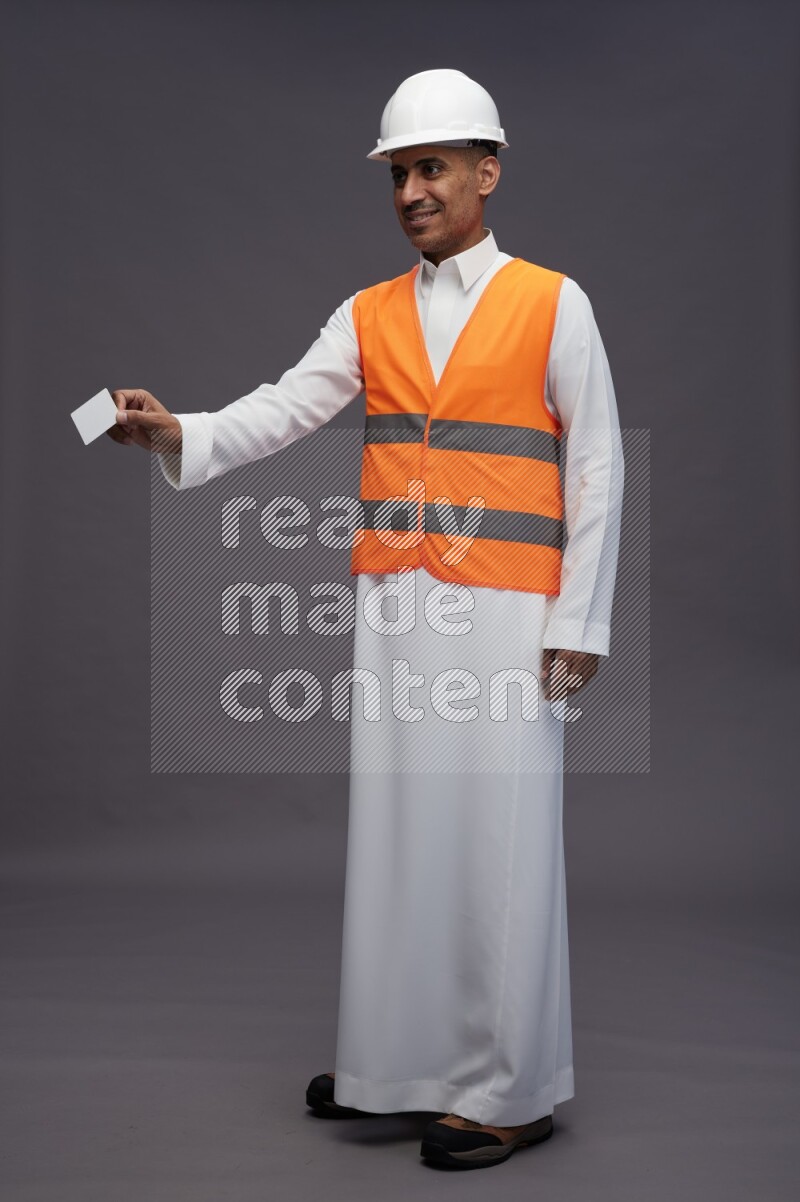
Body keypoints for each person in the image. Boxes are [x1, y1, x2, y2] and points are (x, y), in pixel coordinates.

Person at [107, 68, 624, 1170]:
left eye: (431, 167)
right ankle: (394, 1062)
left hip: (508, 610)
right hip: (396, 604)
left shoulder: (551, 301)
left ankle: (508, 1086)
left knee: (499, 843)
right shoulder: (369, 311)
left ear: (486, 170)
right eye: (399, 172)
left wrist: (579, 619)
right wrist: (177, 433)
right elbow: (286, 405)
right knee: (400, 835)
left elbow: (596, 466)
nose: (411, 190)